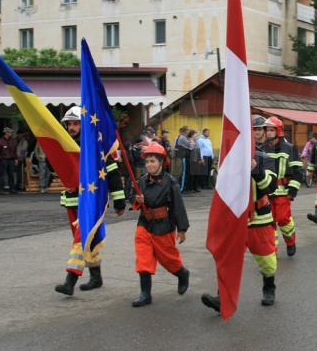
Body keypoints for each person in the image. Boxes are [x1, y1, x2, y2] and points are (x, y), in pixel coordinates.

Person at [55, 106, 126, 296]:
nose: (71, 127)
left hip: (92, 202)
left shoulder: (96, 145)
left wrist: (119, 200)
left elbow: (113, 174)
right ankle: (96, 277)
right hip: (72, 201)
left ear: (84, 124)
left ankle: (70, 280)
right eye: (69, 123)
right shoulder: (64, 145)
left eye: (76, 123)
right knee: (89, 240)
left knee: (80, 240)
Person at [201, 148, 279, 312]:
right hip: (236, 218)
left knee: (267, 261)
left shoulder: (265, 158)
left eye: (259, 130)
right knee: (229, 259)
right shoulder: (231, 156)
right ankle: (222, 298)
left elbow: (270, 186)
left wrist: (255, 169)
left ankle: (269, 288)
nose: (256, 132)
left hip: (260, 219)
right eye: (254, 130)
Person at [129, 142, 190, 307]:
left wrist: (182, 229)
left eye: (152, 161)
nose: (149, 165)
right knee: (143, 258)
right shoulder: (141, 181)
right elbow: (131, 195)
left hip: (164, 226)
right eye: (147, 161)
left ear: (161, 162)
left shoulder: (171, 182)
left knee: (169, 260)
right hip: (144, 224)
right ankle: (145, 294)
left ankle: (182, 274)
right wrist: (136, 199)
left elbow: (178, 206)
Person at [262, 116, 302, 257]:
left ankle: (290, 241)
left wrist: (292, 190)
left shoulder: (289, 148)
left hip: (283, 191)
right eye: (267, 130)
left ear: (278, 131)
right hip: (266, 192)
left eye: (272, 130)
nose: (268, 133)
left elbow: (297, 171)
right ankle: (273, 250)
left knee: (284, 220)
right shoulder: (262, 148)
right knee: (269, 222)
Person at [0, 127, 18, 195]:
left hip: (11, 160)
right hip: (3, 160)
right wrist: (0, 159)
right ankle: (1, 190)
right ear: (6, 133)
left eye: (10, 132)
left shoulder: (13, 140)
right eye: (9, 132)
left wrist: (16, 159)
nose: (10, 133)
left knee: (11, 175)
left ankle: (12, 189)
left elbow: (15, 151)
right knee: (1, 175)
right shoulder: (0, 141)